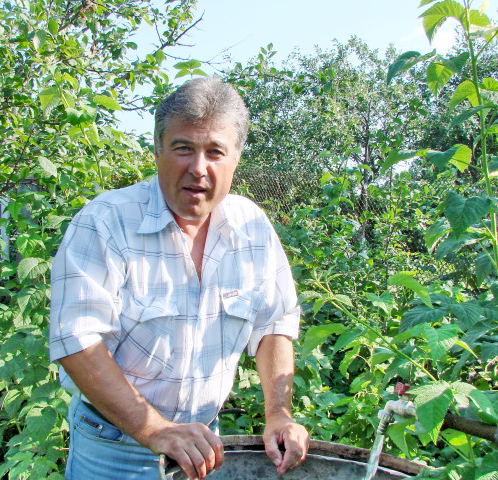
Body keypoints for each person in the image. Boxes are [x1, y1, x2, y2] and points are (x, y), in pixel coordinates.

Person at [49, 76, 309, 480]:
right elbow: (76, 340)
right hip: (112, 450)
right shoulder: (106, 223)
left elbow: (274, 323)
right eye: (183, 148)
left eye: (215, 151)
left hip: (203, 446)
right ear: (157, 149)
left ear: (236, 157)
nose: (199, 168)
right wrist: (156, 430)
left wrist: (278, 413)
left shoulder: (252, 228)